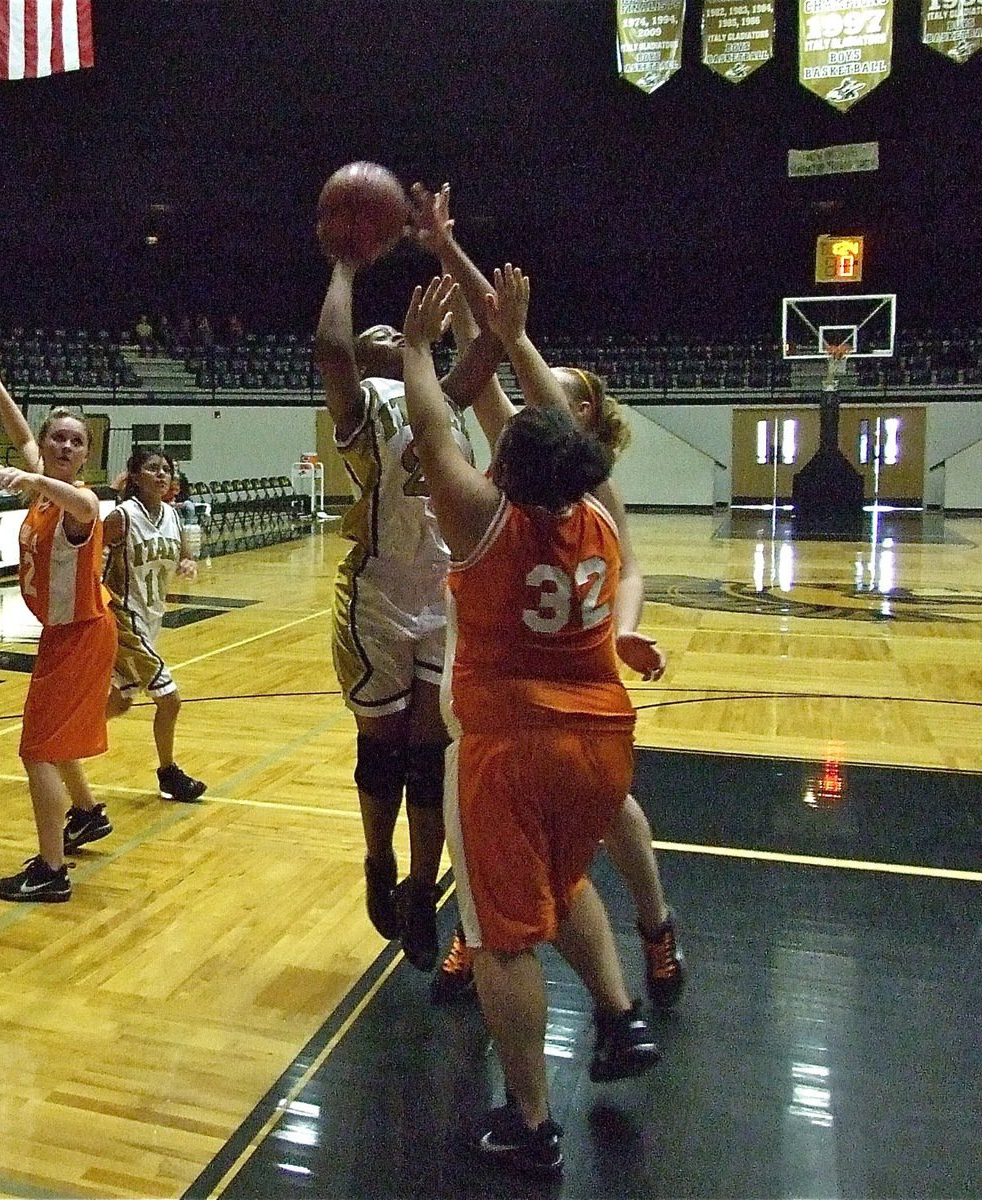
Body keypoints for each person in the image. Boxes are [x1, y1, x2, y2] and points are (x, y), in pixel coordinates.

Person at [401, 272, 658, 1177]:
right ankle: (621, 1019)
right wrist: (510, 337)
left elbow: (433, 425)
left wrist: (416, 350)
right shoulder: (600, 512)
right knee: (568, 882)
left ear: (507, 467)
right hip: (601, 740)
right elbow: (556, 417)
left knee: (504, 936)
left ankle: (531, 1122)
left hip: (511, 745)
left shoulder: (481, 518)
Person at [410, 184, 686, 1012]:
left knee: (606, 822)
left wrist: (623, 631)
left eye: (564, 396)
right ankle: (487, 932)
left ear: (585, 418)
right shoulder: (533, 461)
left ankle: (654, 924)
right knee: (515, 833)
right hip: (520, 683)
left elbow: (629, 569)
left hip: (551, 682)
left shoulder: (590, 487)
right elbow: (487, 351)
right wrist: (451, 254)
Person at [312, 234, 502, 972]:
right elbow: (331, 348)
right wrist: (348, 263)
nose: (390, 332)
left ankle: (424, 891)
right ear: (363, 360)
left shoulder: (438, 397)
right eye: (377, 335)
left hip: (441, 594)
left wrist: (452, 256)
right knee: (381, 753)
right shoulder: (360, 407)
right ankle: (377, 860)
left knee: (431, 758)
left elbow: (487, 350)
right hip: (377, 597)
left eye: (397, 329)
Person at [0, 335, 118, 903]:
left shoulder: (75, 502)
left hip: (81, 634)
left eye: (74, 441)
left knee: (36, 749)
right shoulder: (44, 485)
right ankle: (86, 815)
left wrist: (34, 480)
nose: (61, 445)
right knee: (56, 742)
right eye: (57, 436)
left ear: (86, 454)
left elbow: (87, 509)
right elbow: (21, 436)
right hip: (70, 633)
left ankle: (52, 871)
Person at [90, 446, 206, 820]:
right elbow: (91, 556)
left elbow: (182, 551)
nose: (161, 475)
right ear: (135, 476)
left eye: (166, 469)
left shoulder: (172, 515)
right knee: (169, 700)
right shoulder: (123, 517)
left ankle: (65, 745)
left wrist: (187, 560)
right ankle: (168, 773)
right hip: (122, 618)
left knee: (121, 702)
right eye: (152, 468)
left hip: (150, 620)